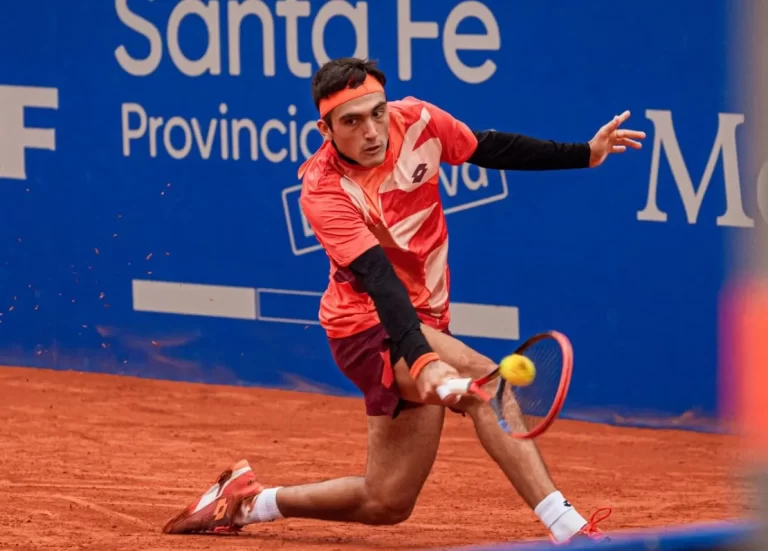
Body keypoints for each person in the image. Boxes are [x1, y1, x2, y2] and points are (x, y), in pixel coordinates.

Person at [161, 57, 645, 544]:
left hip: (424, 323)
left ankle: (245, 503)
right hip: (366, 328)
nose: (371, 131)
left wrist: (585, 152)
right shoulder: (324, 189)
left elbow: (488, 146)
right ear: (324, 128)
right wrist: (424, 358)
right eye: (351, 122)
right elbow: (378, 278)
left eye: (377, 113)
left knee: (386, 501)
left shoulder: (419, 121)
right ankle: (572, 531)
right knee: (487, 385)